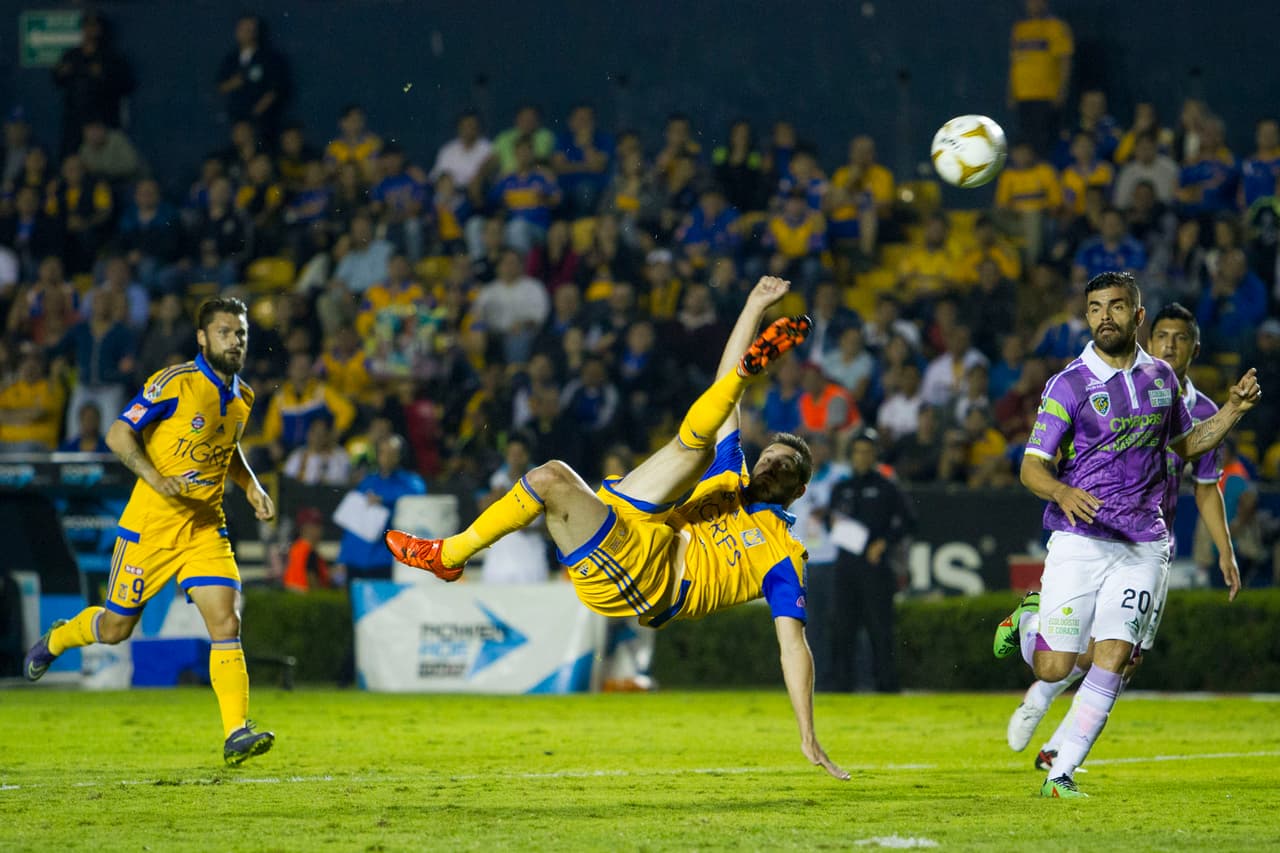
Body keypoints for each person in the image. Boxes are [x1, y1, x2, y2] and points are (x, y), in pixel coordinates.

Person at [387, 276, 850, 780]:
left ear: (799, 490)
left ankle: (450, 554)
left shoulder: (783, 553)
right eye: (772, 458)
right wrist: (753, 304)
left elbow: (792, 644)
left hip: (644, 578)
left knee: (693, 448)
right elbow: (724, 396)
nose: (772, 467)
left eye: (787, 469)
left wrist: (807, 732)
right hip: (631, 521)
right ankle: (448, 556)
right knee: (553, 476)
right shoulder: (732, 474)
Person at [991, 271, 1261, 798]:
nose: (1105, 317)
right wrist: (1061, 493)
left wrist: (1231, 411)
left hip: (1144, 543)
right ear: (1087, 316)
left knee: (1116, 657)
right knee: (1053, 666)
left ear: (1137, 316)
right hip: (1081, 537)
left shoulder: (1161, 377)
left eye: (1116, 307)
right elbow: (1031, 468)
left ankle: (1061, 773)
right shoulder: (1069, 384)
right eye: (1095, 308)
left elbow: (1184, 445)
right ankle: (1028, 618)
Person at [23, 296, 277, 766]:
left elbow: (228, 449)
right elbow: (118, 434)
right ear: (202, 337)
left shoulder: (243, 397)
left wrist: (252, 487)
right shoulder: (175, 383)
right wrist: (156, 477)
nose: (235, 340)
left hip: (204, 527)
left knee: (226, 622)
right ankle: (59, 637)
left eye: (241, 332)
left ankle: (236, 733)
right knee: (117, 628)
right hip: (150, 528)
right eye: (225, 331)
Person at [825, 428, 914, 692]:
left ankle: (886, 686)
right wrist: (832, 525)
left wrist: (885, 541)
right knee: (842, 628)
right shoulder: (841, 489)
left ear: (875, 455)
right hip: (846, 568)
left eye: (867, 452)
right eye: (857, 452)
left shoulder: (887, 488)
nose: (862, 457)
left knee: (880, 629)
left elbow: (909, 522)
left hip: (876, 568)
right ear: (851, 455)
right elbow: (832, 524)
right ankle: (843, 687)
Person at [335, 434, 425, 583]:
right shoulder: (368, 482)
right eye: (383, 452)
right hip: (357, 557)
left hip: (384, 558)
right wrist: (343, 557)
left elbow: (416, 494)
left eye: (392, 454)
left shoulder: (409, 481)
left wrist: (384, 499)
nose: (387, 458)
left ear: (400, 456)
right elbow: (352, 522)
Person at [1007, 0, 1073, 158]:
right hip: (1023, 94)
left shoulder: (1056, 26)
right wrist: (1011, 91)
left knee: (1044, 142)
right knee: (1026, 141)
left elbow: (1065, 60)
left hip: (1046, 94)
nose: (1034, 4)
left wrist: (1062, 90)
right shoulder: (1019, 28)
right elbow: (1014, 62)